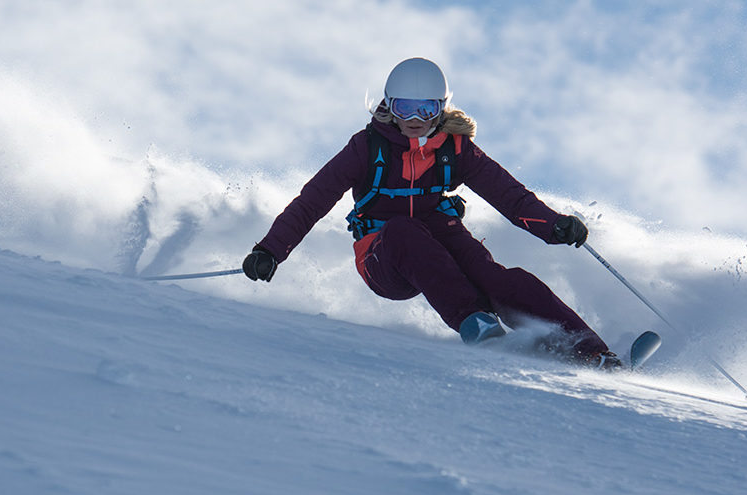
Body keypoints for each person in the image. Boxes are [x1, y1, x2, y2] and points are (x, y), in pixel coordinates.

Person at [242, 57, 621, 369]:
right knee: (404, 229)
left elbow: (508, 194)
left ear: (442, 108)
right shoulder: (366, 148)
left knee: (503, 281)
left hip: (442, 239)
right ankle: (475, 323)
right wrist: (270, 250)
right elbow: (313, 200)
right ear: (389, 104)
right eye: (406, 107)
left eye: (428, 108)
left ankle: (591, 352)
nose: (416, 118)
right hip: (385, 255)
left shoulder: (454, 148)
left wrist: (555, 226)